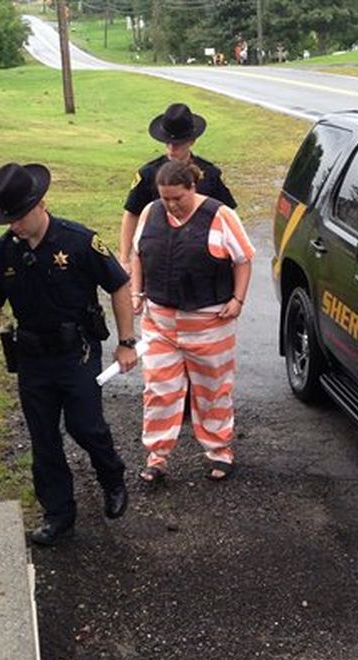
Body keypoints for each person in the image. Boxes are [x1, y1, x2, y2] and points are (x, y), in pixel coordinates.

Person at [0, 162, 139, 546]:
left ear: (41, 204)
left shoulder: (79, 241)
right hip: (32, 359)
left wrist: (126, 341)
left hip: (76, 354)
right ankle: (58, 513)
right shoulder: (4, 254)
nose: (13, 225)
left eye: (18, 216)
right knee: (43, 437)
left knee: (86, 426)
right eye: (8, 219)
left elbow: (118, 284)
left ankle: (112, 476)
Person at [129, 160, 254, 482]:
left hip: (209, 322)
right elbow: (138, 254)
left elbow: (243, 259)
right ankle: (157, 457)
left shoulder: (221, 216)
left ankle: (220, 450)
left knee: (212, 388)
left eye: (178, 198)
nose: (171, 205)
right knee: (159, 389)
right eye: (165, 198)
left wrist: (238, 299)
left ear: (192, 188)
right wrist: (136, 292)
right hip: (160, 321)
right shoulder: (150, 213)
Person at [119, 103, 236, 273]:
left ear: (191, 141)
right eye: (168, 142)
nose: (172, 148)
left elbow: (229, 216)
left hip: (202, 257)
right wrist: (125, 259)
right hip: (158, 256)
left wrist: (231, 253)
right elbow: (132, 213)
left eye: (178, 143)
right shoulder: (149, 174)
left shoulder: (210, 174)